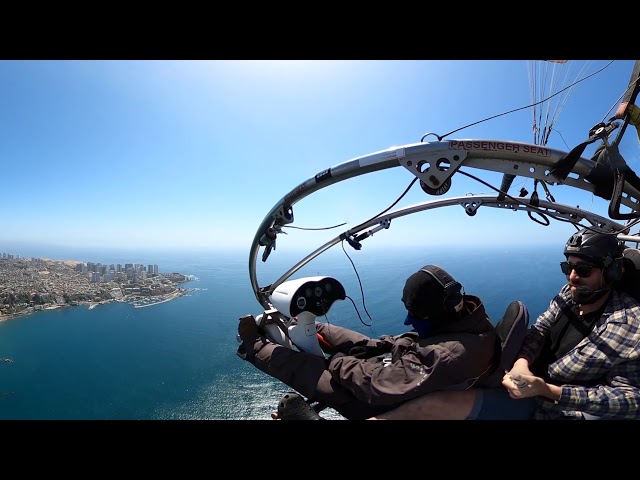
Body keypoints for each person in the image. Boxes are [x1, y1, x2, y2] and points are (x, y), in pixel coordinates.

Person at [369, 228, 640, 420]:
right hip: (522, 383)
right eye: (567, 266)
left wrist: (548, 390)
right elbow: (540, 330)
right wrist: (523, 362)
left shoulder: (630, 324)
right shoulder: (569, 295)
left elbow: (631, 400)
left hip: (550, 407)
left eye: (583, 270)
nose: (572, 277)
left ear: (613, 271)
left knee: (429, 406)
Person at [236, 264, 499, 420]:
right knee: (360, 341)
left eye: (415, 314)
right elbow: (411, 343)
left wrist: (336, 361)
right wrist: (372, 347)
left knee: (311, 369)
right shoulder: (466, 321)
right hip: (404, 375)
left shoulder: (450, 354)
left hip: (383, 397)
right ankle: (312, 327)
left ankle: (255, 346)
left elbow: (377, 385)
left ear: (436, 313)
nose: (408, 320)